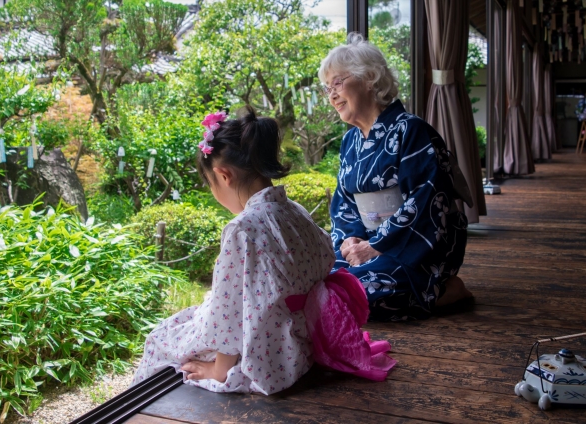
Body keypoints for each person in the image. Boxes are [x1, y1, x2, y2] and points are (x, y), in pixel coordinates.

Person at [131, 108, 396, 395]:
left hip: (271, 352)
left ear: (223, 175)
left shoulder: (243, 229)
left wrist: (218, 370)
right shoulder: (295, 210)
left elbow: (228, 311)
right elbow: (325, 259)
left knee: (160, 340)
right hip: (305, 339)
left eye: (210, 184)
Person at [320, 33, 473, 322]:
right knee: (318, 276)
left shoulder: (411, 130)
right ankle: (421, 291)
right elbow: (345, 203)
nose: (332, 94)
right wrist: (351, 239)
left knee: (359, 291)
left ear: (369, 78)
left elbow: (427, 198)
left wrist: (376, 246)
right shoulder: (350, 141)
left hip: (417, 246)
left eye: (338, 82)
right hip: (369, 243)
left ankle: (443, 290)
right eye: (328, 88)